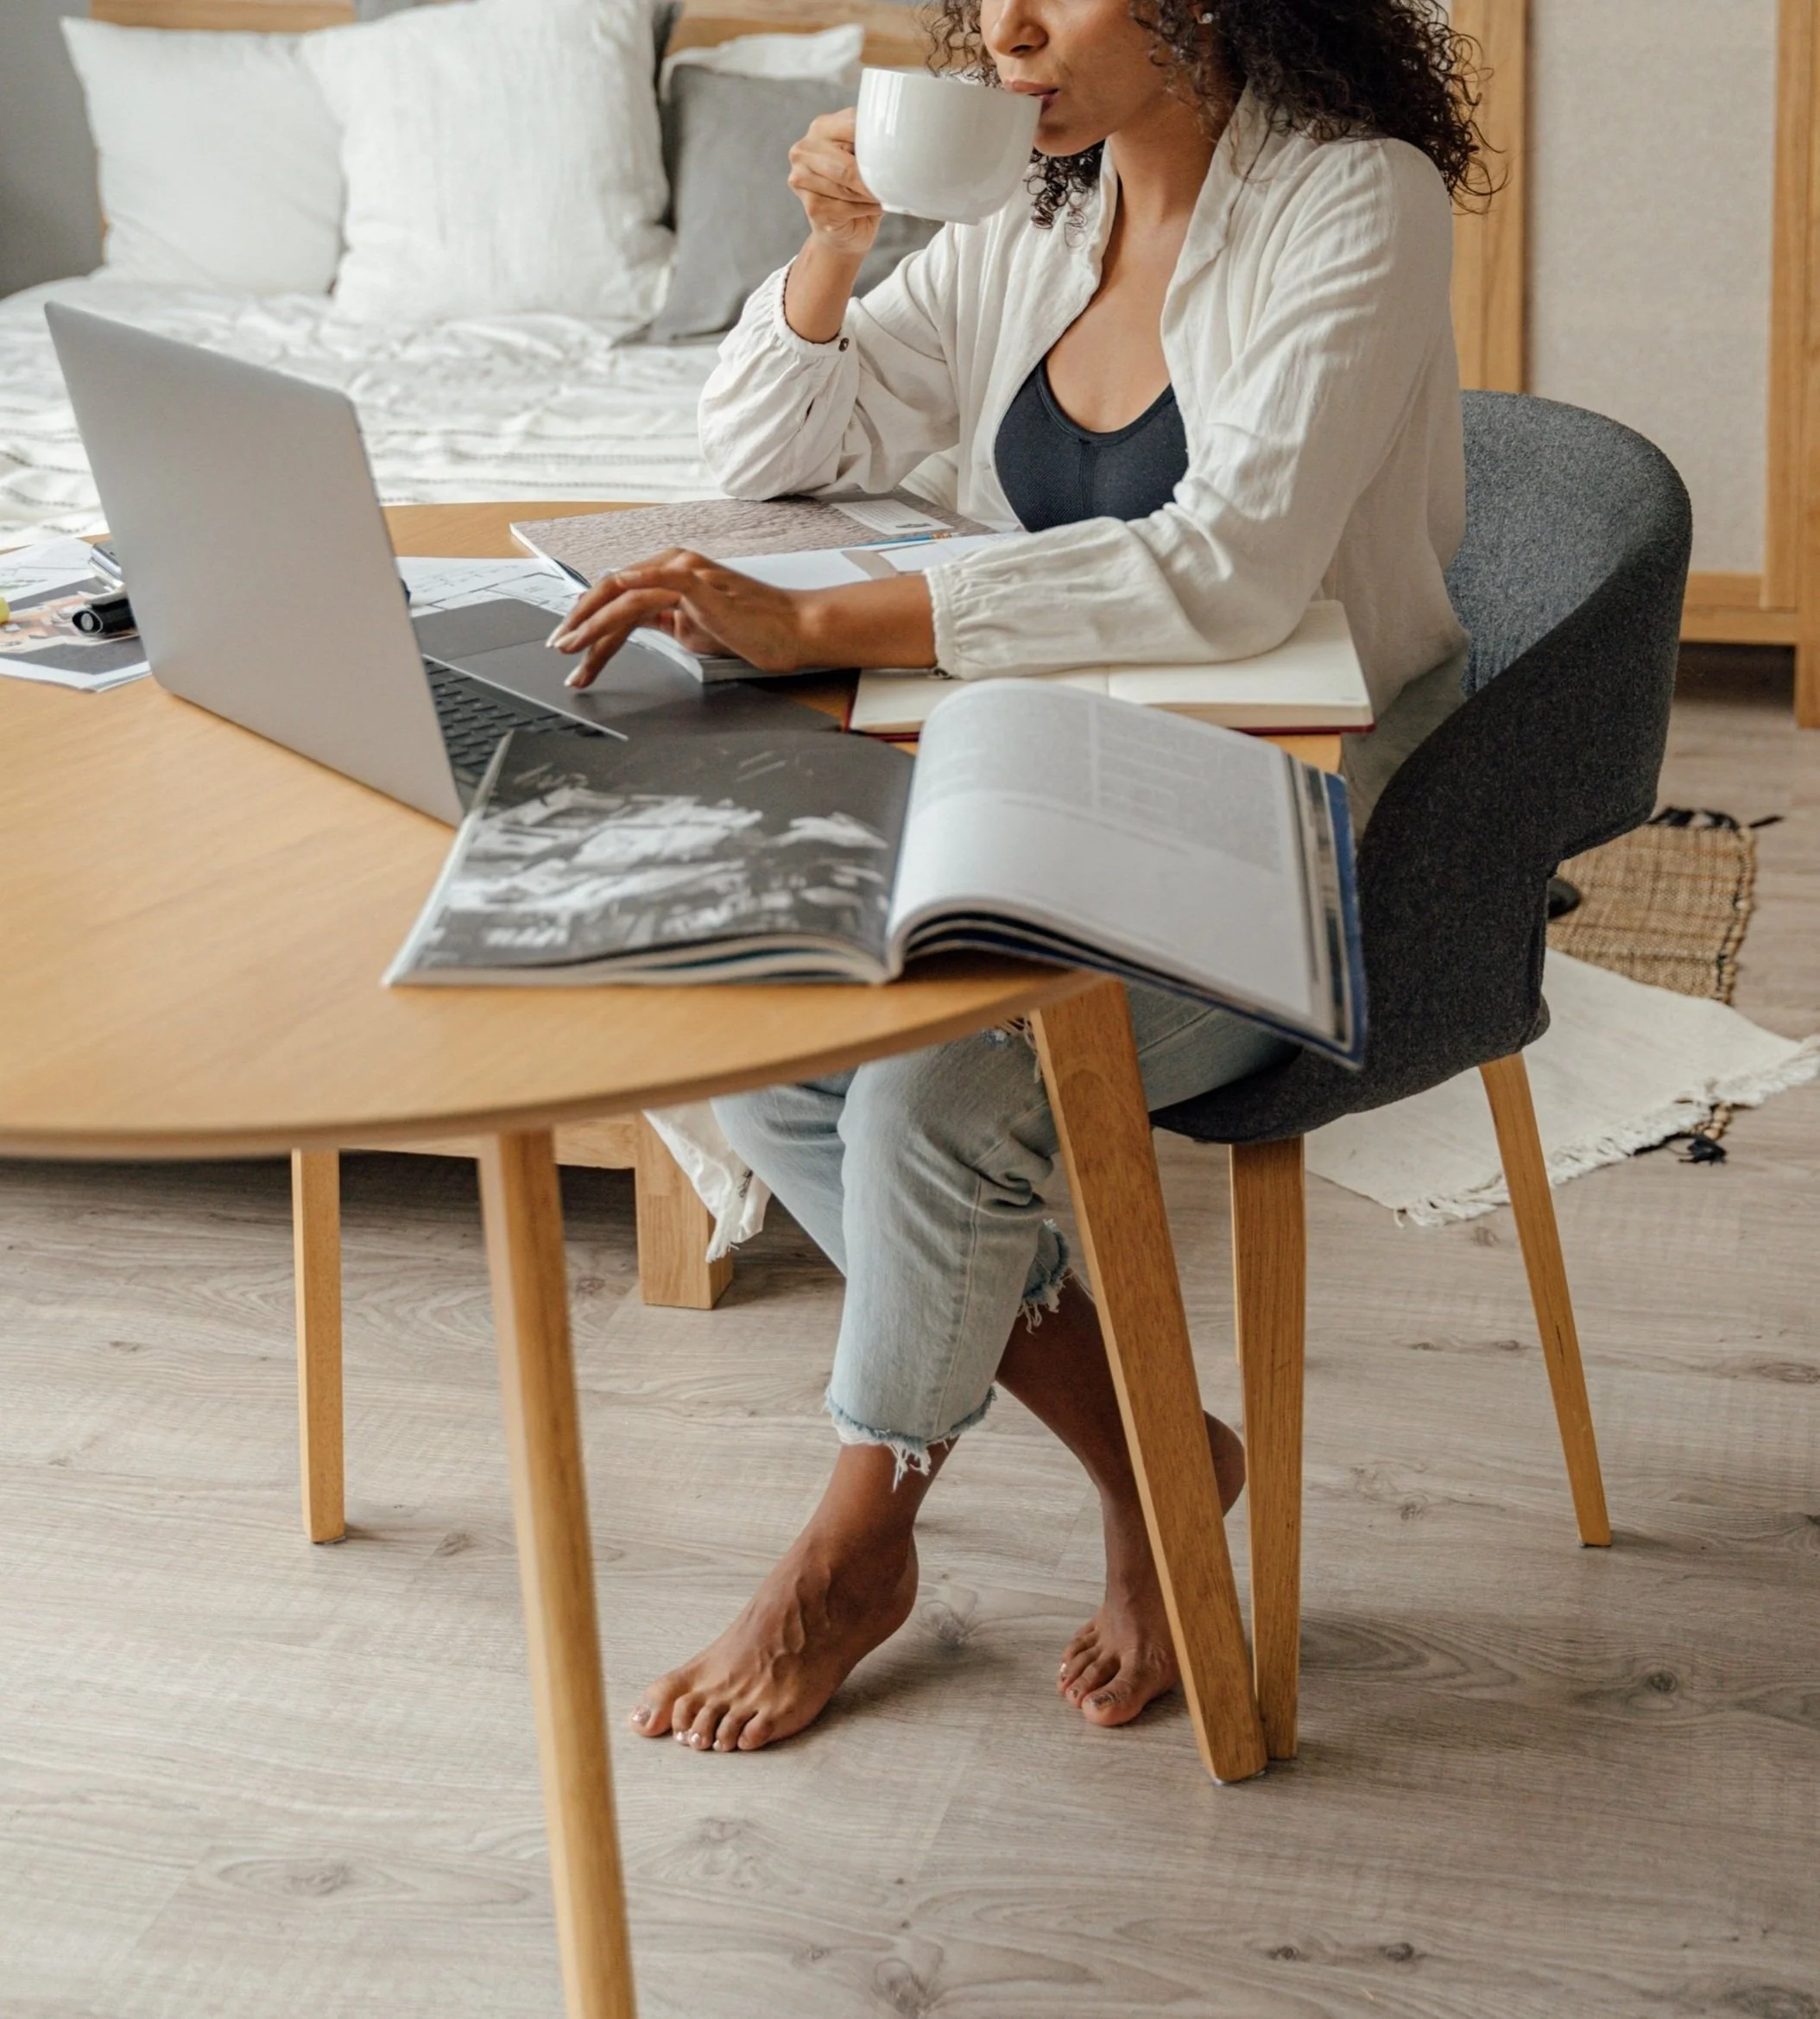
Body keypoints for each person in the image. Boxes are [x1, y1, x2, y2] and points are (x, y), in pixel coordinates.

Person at [549, 0, 1484, 1754]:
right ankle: (1153, 1466)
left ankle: (859, 1533)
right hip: (1035, 784)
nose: (1004, 33)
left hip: (1278, 820)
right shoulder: (1027, 211)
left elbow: (1231, 573)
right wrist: (828, 256)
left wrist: (828, 619)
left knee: (945, 1077)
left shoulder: (1358, 200)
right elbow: (764, 452)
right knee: (753, 999)